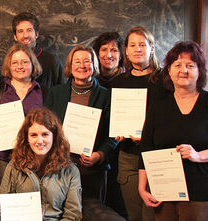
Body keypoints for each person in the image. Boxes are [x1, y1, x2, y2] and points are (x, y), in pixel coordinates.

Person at [138, 41, 208, 221]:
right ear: (168, 70)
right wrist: (142, 187)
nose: (183, 70)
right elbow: (147, 147)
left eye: (190, 65)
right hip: (163, 190)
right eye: (177, 65)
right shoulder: (159, 105)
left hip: (200, 192)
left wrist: (198, 155)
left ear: (199, 71)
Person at [44, 45, 117, 203]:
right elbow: (45, 128)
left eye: (87, 61)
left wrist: (100, 155)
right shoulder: (55, 93)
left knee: (94, 214)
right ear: (70, 66)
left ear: (94, 65)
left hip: (92, 170)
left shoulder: (106, 96)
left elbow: (113, 135)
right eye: (77, 61)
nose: (82, 66)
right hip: (60, 168)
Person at [109, 26, 164, 221]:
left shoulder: (165, 81)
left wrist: (148, 137)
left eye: (142, 44)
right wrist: (117, 130)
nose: (137, 49)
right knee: (134, 214)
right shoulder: (119, 82)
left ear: (152, 48)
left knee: (153, 215)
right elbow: (114, 118)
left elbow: (171, 120)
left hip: (157, 156)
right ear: (126, 50)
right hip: (128, 156)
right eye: (132, 45)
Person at [0, 108, 82, 220]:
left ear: (54, 136)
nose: (39, 141)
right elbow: (0, 210)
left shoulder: (70, 170)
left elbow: (73, 215)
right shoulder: (14, 166)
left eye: (45, 134)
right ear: (26, 138)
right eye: (33, 135)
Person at [0, 44, 47, 190]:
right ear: (9, 66)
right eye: (15, 63)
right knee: (3, 202)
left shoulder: (44, 91)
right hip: (3, 159)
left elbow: (51, 125)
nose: (20, 66)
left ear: (32, 64)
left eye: (25, 62)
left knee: (30, 201)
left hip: (35, 158)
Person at [91, 31, 129, 218]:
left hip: (125, 149)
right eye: (104, 49)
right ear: (97, 54)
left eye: (114, 50)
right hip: (97, 150)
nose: (109, 54)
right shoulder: (89, 82)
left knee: (120, 202)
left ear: (121, 54)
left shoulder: (129, 81)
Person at [12, 12, 64, 90]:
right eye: (20, 31)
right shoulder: (11, 62)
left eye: (29, 30)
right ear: (15, 37)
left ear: (36, 34)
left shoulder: (52, 61)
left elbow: (62, 91)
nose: (25, 35)